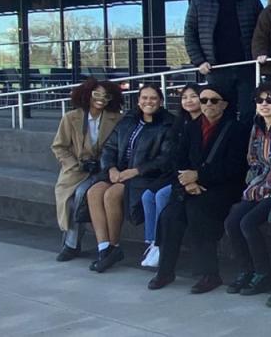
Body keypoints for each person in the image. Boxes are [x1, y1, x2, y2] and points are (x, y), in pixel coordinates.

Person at [149, 80, 247, 292]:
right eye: (204, 100)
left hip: (222, 188)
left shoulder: (236, 129)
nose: (208, 104)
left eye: (214, 100)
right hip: (190, 186)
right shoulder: (191, 127)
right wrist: (187, 182)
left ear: (225, 104)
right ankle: (165, 271)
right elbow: (178, 159)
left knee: (198, 212)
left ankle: (209, 274)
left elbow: (234, 167)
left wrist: (199, 176)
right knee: (169, 215)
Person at [85, 83, 176, 273]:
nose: (148, 102)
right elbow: (109, 148)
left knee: (111, 195)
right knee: (94, 192)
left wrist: (136, 171)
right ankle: (104, 248)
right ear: (138, 101)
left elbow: (165, 159)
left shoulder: (168, 124)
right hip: (117, 172)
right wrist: (110, 168)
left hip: (144, 176)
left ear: (160, 101)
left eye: (153, 98)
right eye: (144, 98)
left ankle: (114, 246)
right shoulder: (128, 120)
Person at [225, 80, 271, 297]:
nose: (264, 104)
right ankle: (246, 271)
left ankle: (264, 274)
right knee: (232, 221)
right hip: (259, 184)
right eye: (259, 100)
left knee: (249, 223)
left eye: (269, 100)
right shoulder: (257, 126)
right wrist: (256, 183)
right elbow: (253, 159)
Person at [52, 78, 123, 261]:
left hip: (103, 170)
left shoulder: (117, 119)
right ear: (87, 94)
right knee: (69, 200)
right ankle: (71, 243)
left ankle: (71, 245)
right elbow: (59, 147)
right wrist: (74, 164)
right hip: (76, 170)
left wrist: (106, 165)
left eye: (106, 96)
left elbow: (118, 147)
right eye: (96, 94)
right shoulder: (71, 118)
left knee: (80, 196)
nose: (101, 99)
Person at [183, 0, 264, 117]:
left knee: (249, 113)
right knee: (220, 114)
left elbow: (263, 30)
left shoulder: (251, 0)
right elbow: (189, 34)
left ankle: (247, 143)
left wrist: (261, 53)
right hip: (216, 69)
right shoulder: (199, 1)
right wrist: (199, 61)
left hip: (246, 66)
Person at [139, 86, 202, 270]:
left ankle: (162, 245)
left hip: (193, 175)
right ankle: (152, 242)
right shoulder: (179, 122)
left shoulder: (204, 123)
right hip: (175, 173)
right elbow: (173, 155)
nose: (189, 100)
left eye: (194, 96)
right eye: (185, 97)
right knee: (147, 196)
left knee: (161, 196)